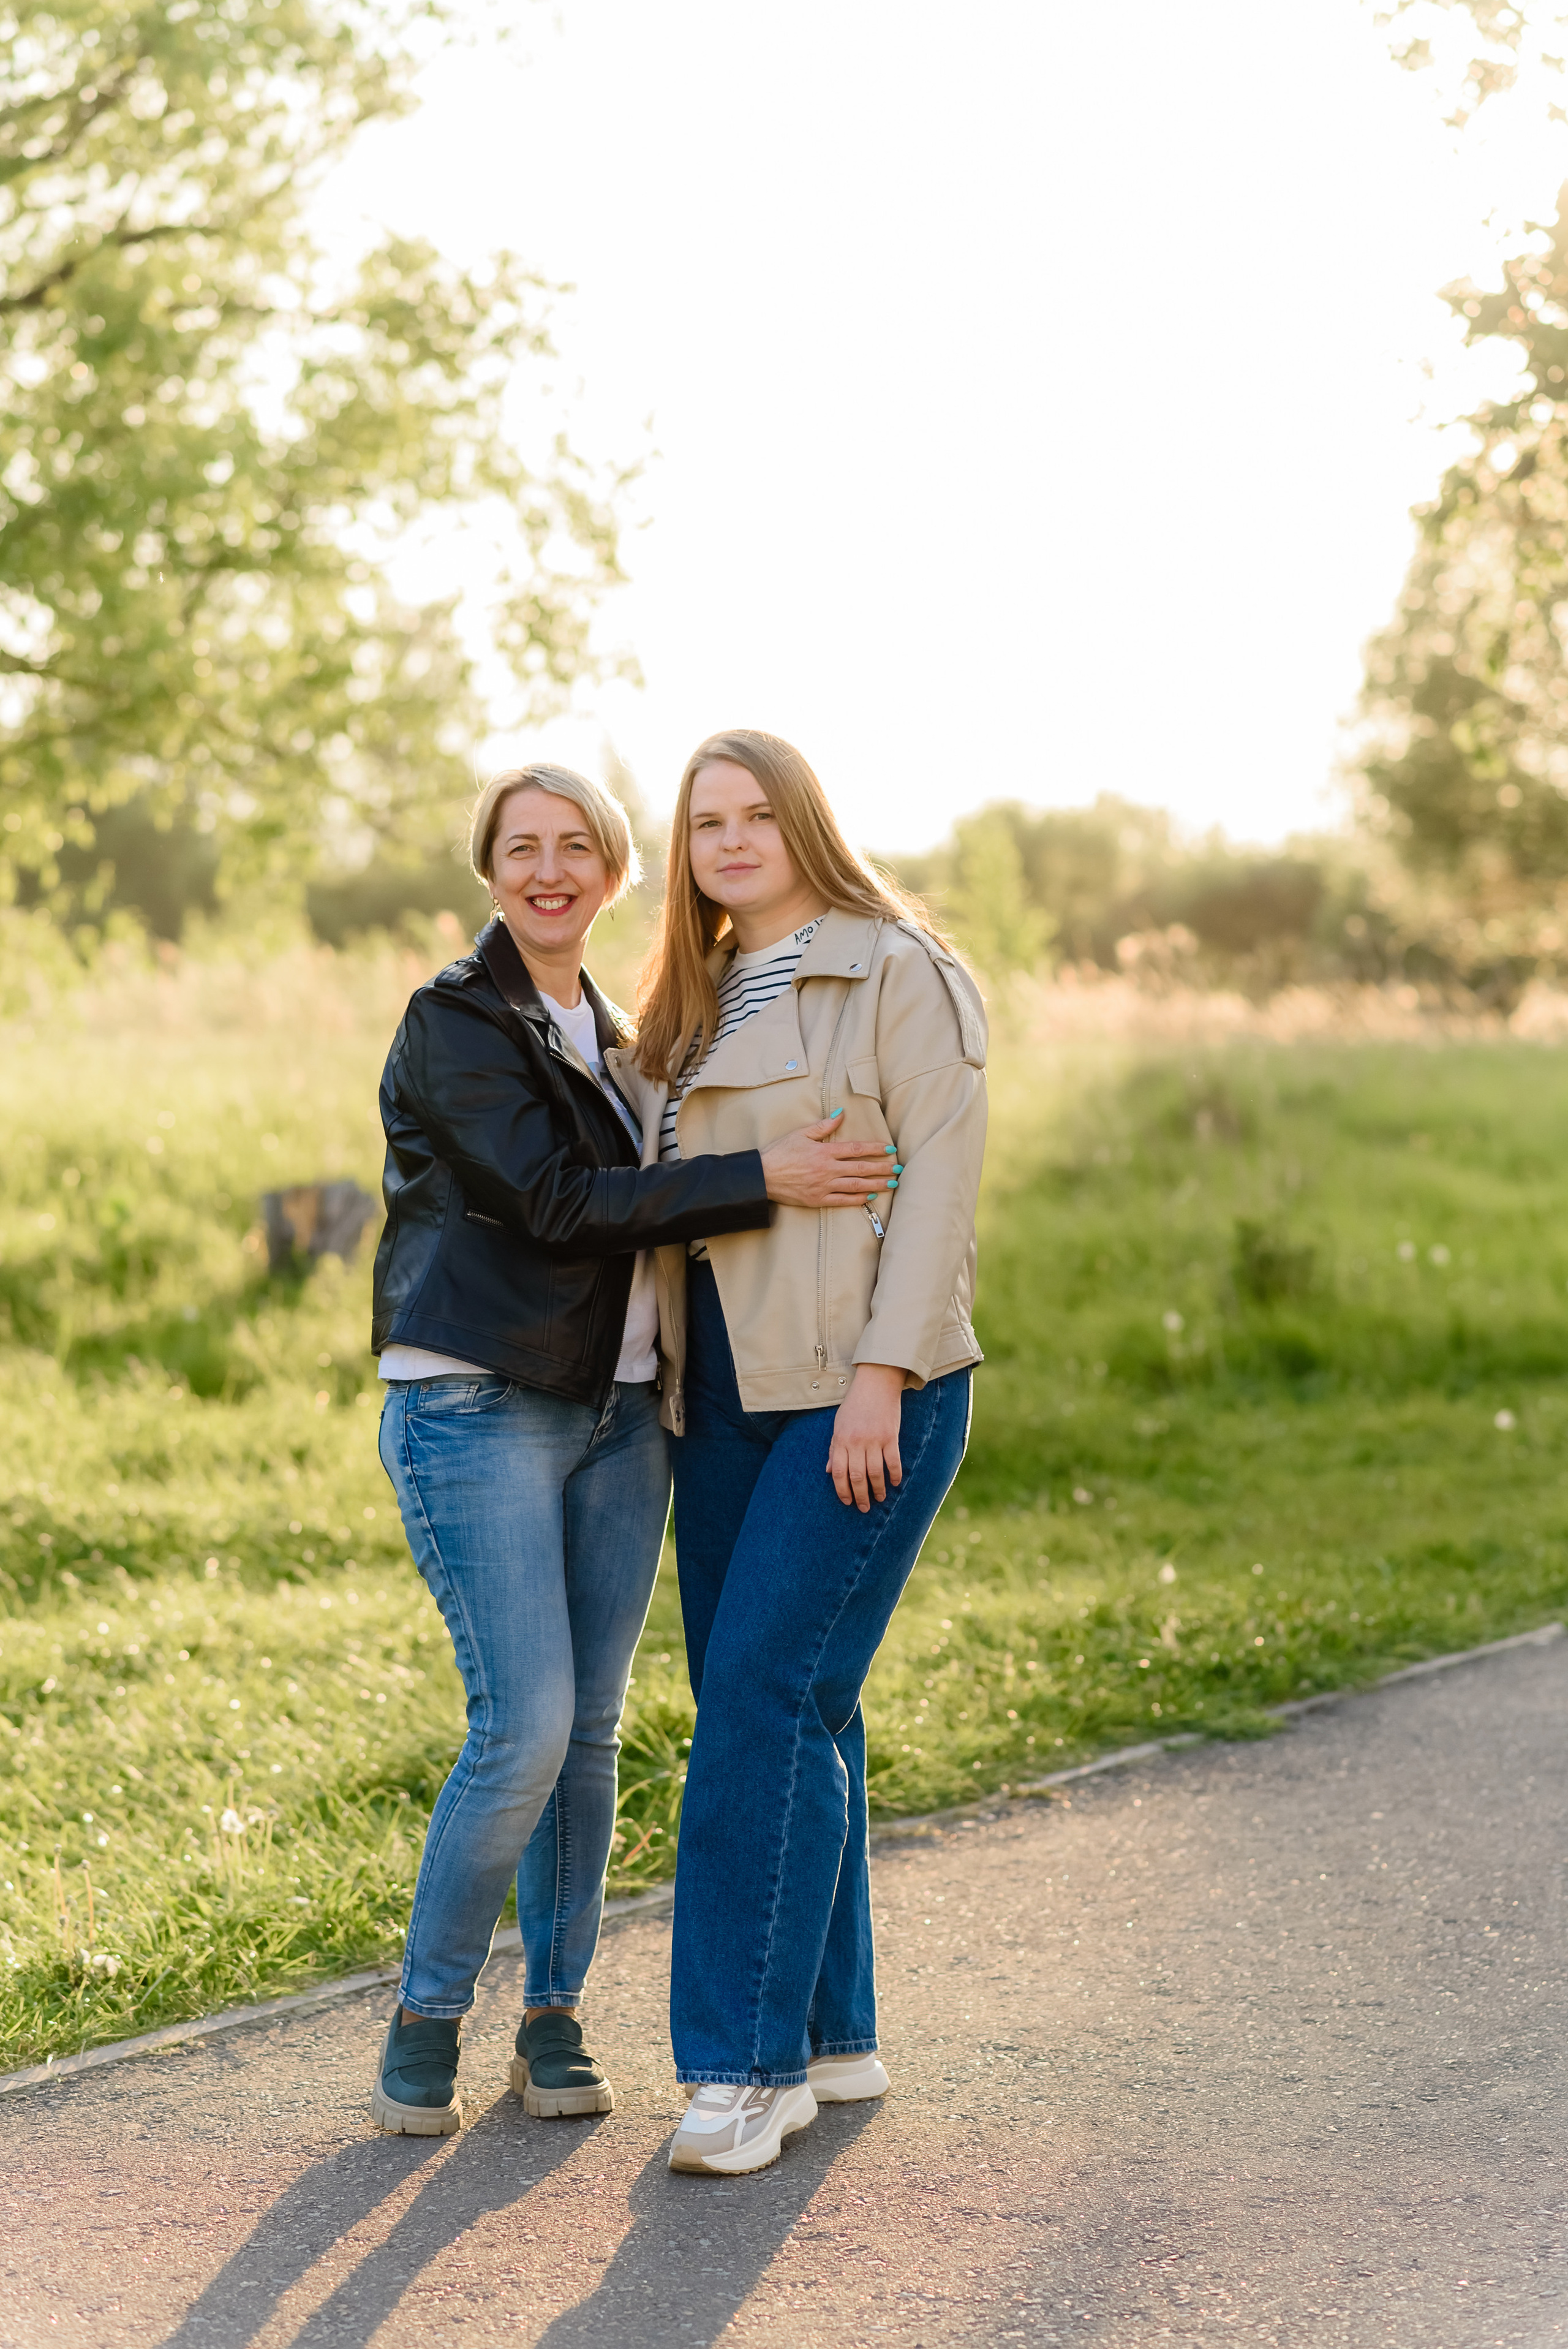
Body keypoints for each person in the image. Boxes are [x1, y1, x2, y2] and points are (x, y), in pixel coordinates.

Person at [369, 760, 900, 2136]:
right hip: (479, 1401)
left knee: (591, 1734)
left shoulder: (620, 1030)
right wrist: (762, 1178)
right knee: (525, 1728)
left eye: (575, 849)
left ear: (614, 874)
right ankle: (426, 2018)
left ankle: (552, 2017)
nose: (547, 872)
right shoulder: (456, 1018)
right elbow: (554, 1202)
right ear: (488, 870)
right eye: (520, 848)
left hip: (618, 1416)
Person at [617, 728, 987, 2177]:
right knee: (785, 1700)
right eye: (704, 821)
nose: (728, 839)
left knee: (758, 1701)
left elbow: (938, 1187)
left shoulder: (897, 968)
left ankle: (740, 2072)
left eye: (755, 814)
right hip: (718, 1390)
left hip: (857, 1385)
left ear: (805, 823)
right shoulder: (687, 1005)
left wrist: (883, 1377)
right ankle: (832, 2039)